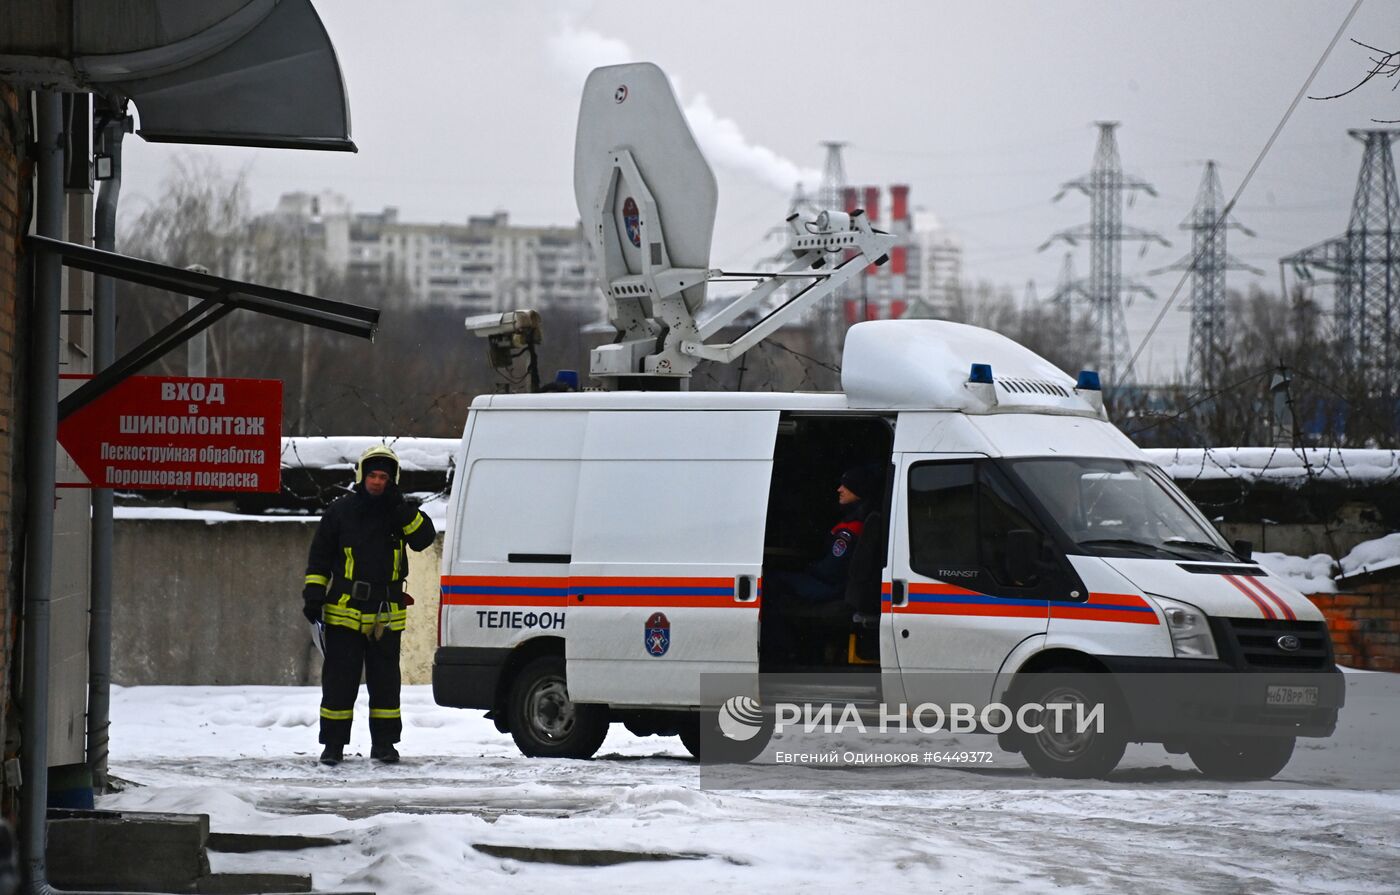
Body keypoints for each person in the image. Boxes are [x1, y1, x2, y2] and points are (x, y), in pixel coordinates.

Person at [302, 445, 436, 765]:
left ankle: (385, 744)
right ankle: (333, 745)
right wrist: (313, 596)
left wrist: (401, 509)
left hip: (386, 612)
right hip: (344, 610)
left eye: (384, 477)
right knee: (339, 681)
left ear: (393, 480)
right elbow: (319, 559)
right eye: (373, 476)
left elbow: (423, 539)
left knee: (385, 682)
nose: (377, 482)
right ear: (362, 476)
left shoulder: (401, 512)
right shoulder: (340, 511)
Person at [767, 463, 882, 605]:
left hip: (831, 589)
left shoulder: (850, 530)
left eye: (846, 486)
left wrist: (807, 567)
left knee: (771, 580)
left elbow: (832, 570)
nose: (839, 489)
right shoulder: (854, 522)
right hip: (834, 585)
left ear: (859, 490)